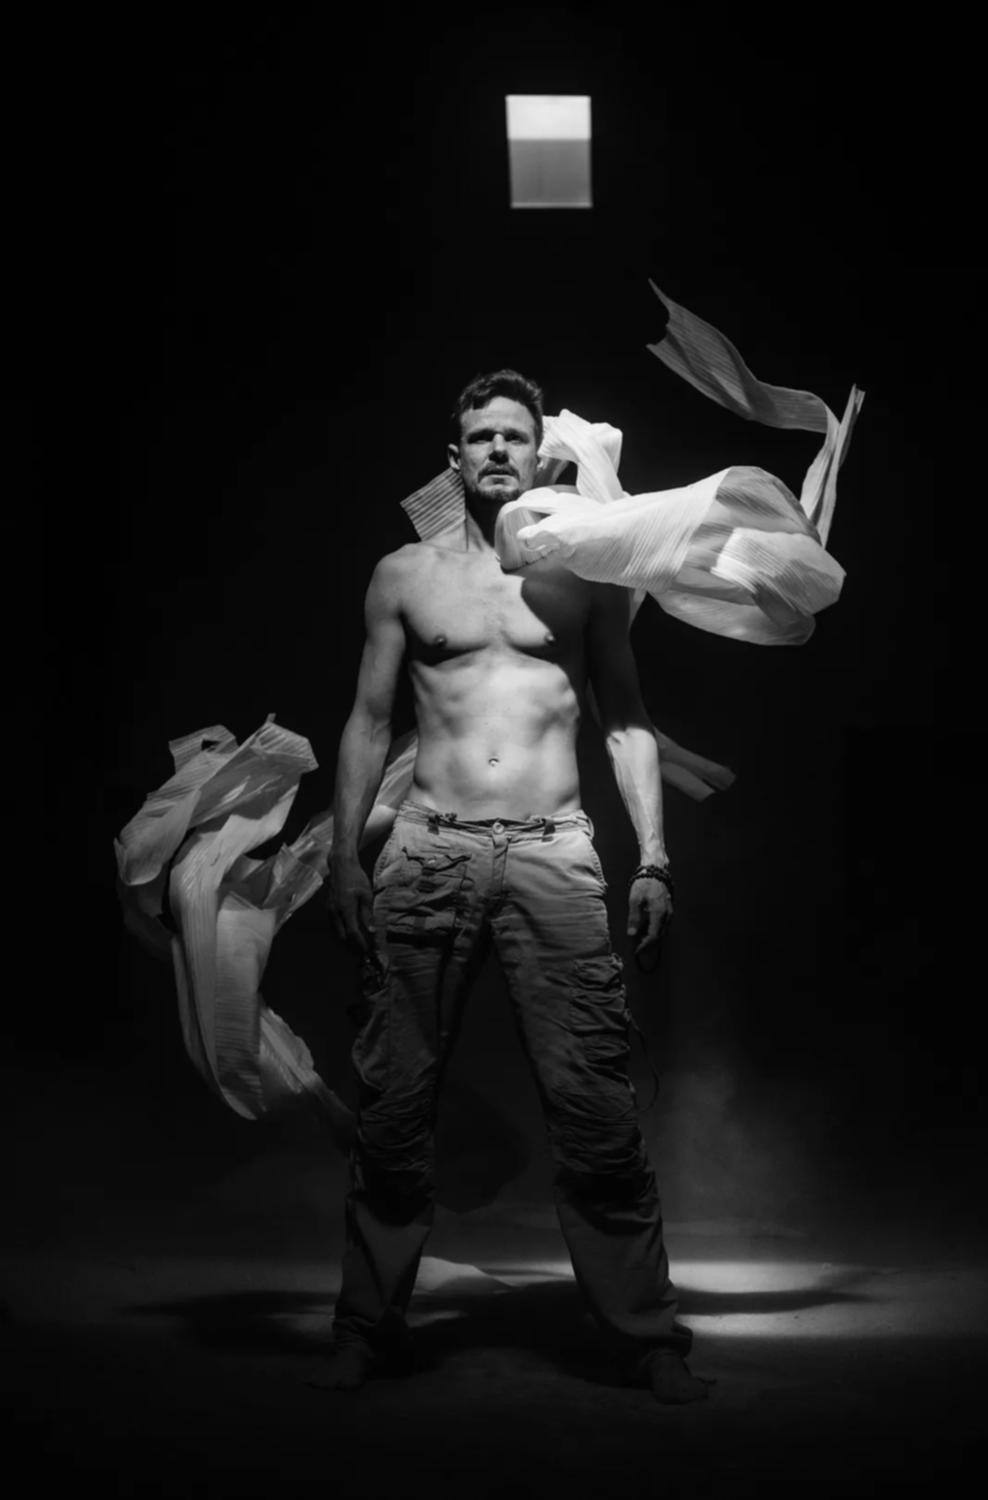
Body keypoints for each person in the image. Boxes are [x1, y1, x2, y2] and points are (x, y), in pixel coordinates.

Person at [325, 368, 710, 1404]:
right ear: (454, 458)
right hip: (427, 851)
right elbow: (369, 720)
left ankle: (646, 1337)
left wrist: (655, 857)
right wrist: (343, 855)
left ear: (540, 453)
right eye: (479, 436)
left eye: (514, 436)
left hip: (553, 851)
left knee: (594, 1108)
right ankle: (364, 1329)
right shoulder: (404, 574)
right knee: (394, 1107)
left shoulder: (586, 576)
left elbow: (626, 719)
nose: (497, 449)